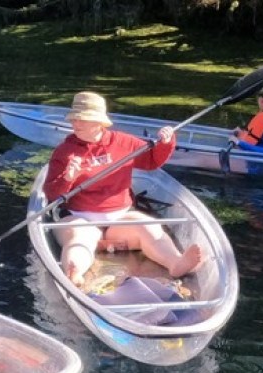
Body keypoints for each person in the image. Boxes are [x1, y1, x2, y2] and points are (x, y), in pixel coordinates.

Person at [45, 91, 206, 288]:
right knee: (79, 238)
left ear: (99, 122)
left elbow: (151, 161)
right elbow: (51, 194)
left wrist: (166, 143)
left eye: (82, 119)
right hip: (79, 217)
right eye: (74, 119)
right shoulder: (64, 151)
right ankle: (74, 272)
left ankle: (176, 263)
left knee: (149, 228)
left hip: (119, 218)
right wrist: (67, 178)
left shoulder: (124, 142)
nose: (76, 124)